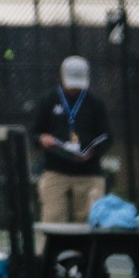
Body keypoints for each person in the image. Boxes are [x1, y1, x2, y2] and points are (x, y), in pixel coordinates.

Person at [30, 56, 110, 224]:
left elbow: (106, 136)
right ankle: (51, 251)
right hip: (56, 171)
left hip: (89, 172)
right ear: (61, 76)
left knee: (88, 220)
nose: (74, 89)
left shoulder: (95, 103)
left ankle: (86, 251)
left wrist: (92, 152)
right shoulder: (48, 100)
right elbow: (34, 133)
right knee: (53, 219)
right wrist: (41, 139)